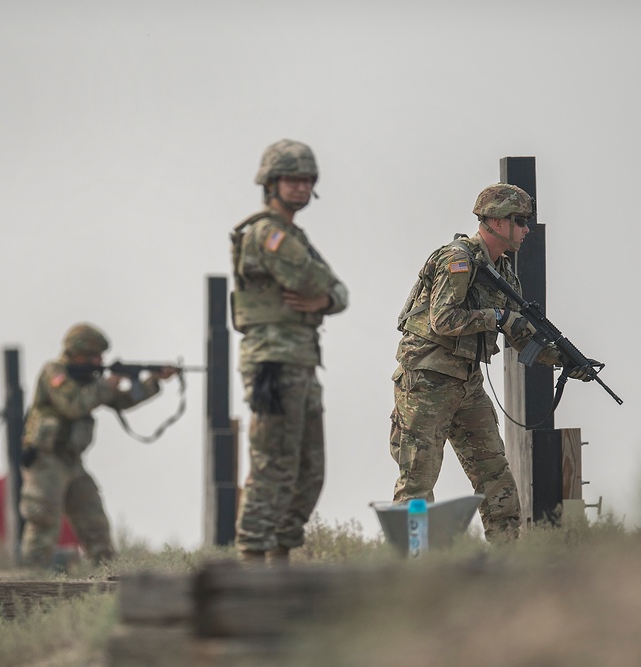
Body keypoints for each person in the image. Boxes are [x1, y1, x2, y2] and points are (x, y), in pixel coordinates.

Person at [390, 182, 589, 541]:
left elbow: (520, 336)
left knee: (496, 478)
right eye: (520, 220)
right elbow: (443, 320)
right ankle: (411, 567)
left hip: (466, 384)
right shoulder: (459, 259)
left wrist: (565, 361)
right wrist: (497, 317)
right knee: (417, 482)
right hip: (427, 382)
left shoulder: (504, 272)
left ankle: (507, 570)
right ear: (496, 221)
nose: (527, 229)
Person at [230, 139, 349, 564]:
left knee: (308, 470)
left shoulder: (293, 235)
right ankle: (252, 562)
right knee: (273, 465)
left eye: (306, 180)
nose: (300, 187)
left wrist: (325, 299)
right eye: (291, 179)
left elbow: (337, 292)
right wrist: (325, 294)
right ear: (271, 182)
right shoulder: (269, 233)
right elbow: (317, 282)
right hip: (274, 362)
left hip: (300, 360)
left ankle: (279, 560)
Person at [19, 323, 177, 569]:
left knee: (95, 525)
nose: (99, 361)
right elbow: (74, 405)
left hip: (73, 462)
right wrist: (109, 383)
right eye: (94, 355)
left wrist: (153, 381)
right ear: (77, 352)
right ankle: (27, 585)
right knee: (43, 525)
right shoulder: (55, 373)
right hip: (46, 462)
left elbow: (123, 401)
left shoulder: (90, 380)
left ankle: (107, 582)